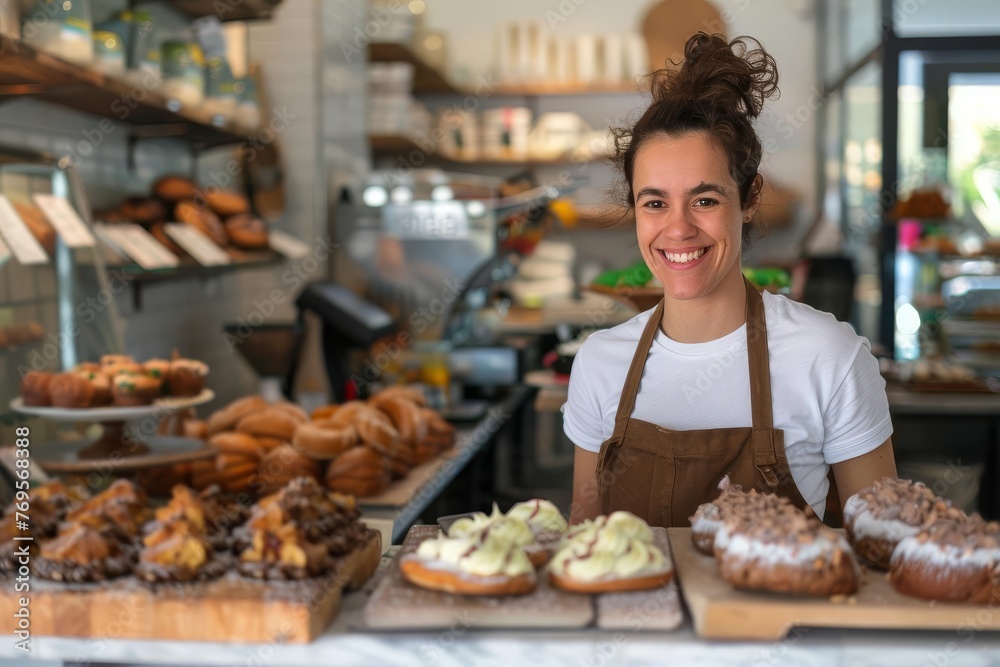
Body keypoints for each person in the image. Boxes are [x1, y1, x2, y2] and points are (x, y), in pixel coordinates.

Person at [564, 33, 896, 527]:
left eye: (705, 200)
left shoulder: (830, 357)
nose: (678, 229)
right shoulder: (599, 362)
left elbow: (882, 553)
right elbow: (583, 544)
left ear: (750, 198)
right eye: (654, 203)